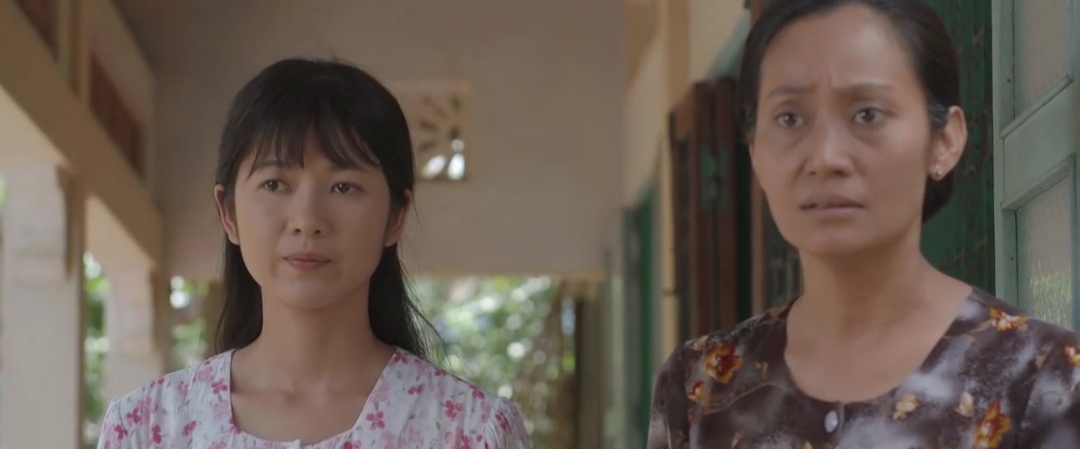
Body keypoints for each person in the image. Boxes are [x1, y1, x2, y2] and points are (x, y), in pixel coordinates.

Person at [647, 1, 1080, 448]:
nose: (825, 157)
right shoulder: (700, 389)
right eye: (790, 118)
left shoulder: (1043, 381)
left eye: (868, 114)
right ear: (755, 152)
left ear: (944, 141)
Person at [97, 58, 530, 449]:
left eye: (344, 187)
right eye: (275, 184)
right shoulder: (147, 428)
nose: (307, 220)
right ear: (228, 213)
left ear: (395, 216)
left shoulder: (469, 431)